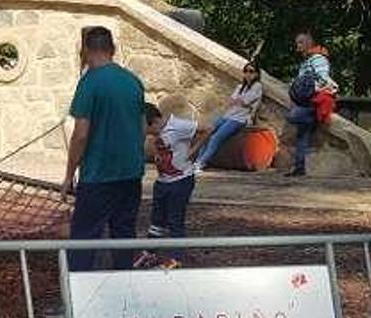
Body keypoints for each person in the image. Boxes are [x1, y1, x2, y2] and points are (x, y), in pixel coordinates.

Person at [61, 26, 146, 271]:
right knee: (124, 234)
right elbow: (141, 129)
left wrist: (69, 175)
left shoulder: (89, 83)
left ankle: (80, 295)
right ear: (113, 49)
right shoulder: (133, 81)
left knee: (84, 239)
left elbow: (80, 135)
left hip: (98, 175)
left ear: (86, 50)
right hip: (131, 174)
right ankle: (124, 291)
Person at [134, 103, 205, 269]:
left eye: (147, 128)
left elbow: (208, 128)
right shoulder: (156, 133)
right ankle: (150, 253)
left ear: (155, 121)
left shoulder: (178, 125)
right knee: (156, 219)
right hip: (162, 180)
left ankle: (176, 257)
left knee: (175, 220)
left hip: (180, 181)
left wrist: (194, 150)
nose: (147, 133)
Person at [192, 62, 263, 171]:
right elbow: (232, 101)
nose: (248, 74)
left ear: (257, 74)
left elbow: (244, 101)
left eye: (251, 71)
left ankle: (201, 163)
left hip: (239, 119)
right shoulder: (240, 87)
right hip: (228, 115)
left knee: (217, 137)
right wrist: (239, 101)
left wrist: (239, 101)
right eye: (246, 71)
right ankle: (197, 160)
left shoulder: (257, 87)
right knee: (207, 132)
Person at [285, 31, 335, 177]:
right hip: (306, 101)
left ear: (308, 43)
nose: (297, 46)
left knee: (292, 117)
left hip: (312, 102)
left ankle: (312, 119)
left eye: (300, 43)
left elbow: (324, 78)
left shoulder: (318, 59)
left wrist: (322, 87)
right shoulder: (308, 59)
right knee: (302, 135)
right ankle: (300, 167)